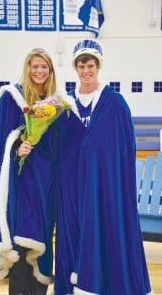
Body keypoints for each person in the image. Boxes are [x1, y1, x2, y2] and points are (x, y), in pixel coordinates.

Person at [55, 39, 152, 294]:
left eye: (90, 65)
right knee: (74, 234)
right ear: (75, 69)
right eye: (81, 66)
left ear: (98, 67)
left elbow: (123, 148)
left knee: (105, 232)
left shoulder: (114, 103)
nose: (86, 71)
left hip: (104, 185)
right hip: (73, 187)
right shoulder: (66, 105)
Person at [0, 47, 58, 295]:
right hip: (19, 184)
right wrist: (16, 148)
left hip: (44, 183)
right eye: (35, 66)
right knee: (19, 241)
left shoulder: (54, 103)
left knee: (40, 240)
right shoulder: (11, 98)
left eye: (44, 67)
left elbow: (60, 145)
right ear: (27, 69)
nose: (39, 71)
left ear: (50, 70)